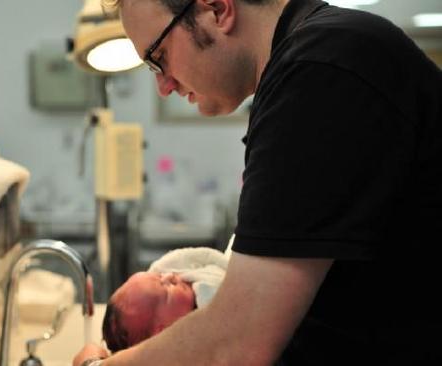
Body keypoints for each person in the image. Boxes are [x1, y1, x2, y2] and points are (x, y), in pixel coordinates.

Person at [73, 0, 442, 365]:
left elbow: (236, 344)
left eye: (158, 57)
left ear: (217, 10)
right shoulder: (309, 66)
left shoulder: (321, 71)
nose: (163, 86)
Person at [103, 245, 230, 352]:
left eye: (159, 276)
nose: (170, 275)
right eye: (167, 290)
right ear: (165, 331)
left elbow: (210, 258)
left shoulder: (182, 274)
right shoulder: (199, 342)